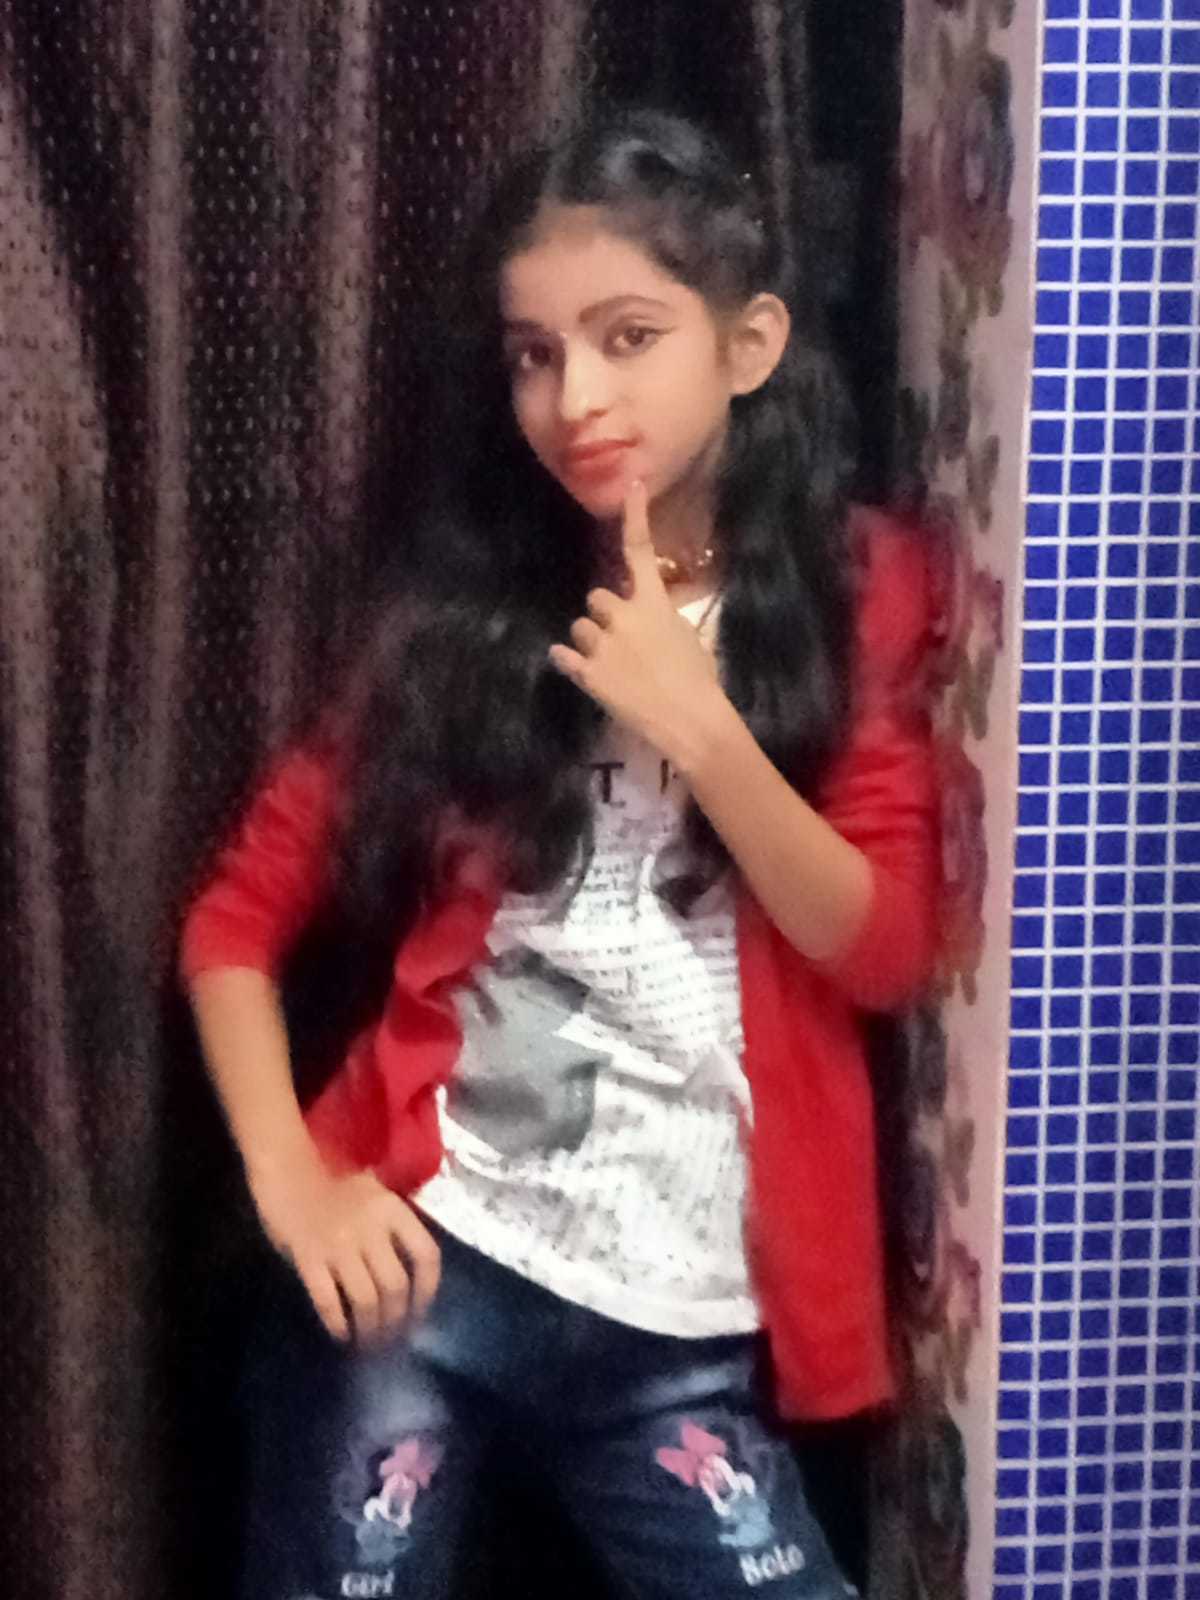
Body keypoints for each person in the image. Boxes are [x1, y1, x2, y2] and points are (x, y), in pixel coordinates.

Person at [181, 107, 938, 1600]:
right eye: (535, 354)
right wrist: (294, 1181)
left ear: (750, 343)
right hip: (424, 1275)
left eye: (628, 337)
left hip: (684, 1335)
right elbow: (235, 920)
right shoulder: (472, 617)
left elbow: (886, 949)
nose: (576, 396)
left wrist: (702, 728)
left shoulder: (863, 588)